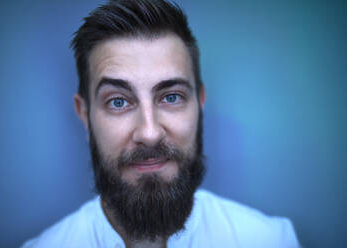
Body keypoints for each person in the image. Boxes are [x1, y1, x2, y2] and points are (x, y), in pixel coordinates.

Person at [22, 0, 300, 247]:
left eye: (171, 97)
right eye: (118, 101)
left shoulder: (271, 240)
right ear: (84, 115)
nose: (150, 133)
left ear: (200, 103)